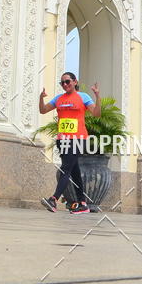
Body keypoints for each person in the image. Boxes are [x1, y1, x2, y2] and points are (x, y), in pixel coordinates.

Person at [39, 72, 101, 214]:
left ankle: (53, 199)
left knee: (65, 169)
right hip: (62, 140)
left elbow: (96, 113)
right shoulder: (59, 98)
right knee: (74, 171)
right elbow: (43, 110)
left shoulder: (83, 97)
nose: (65, 85)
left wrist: (97, 96)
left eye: (67, 81)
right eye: (62, 83)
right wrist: (41, 98)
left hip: (78, 139)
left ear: (75, 82)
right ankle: (82, 203)